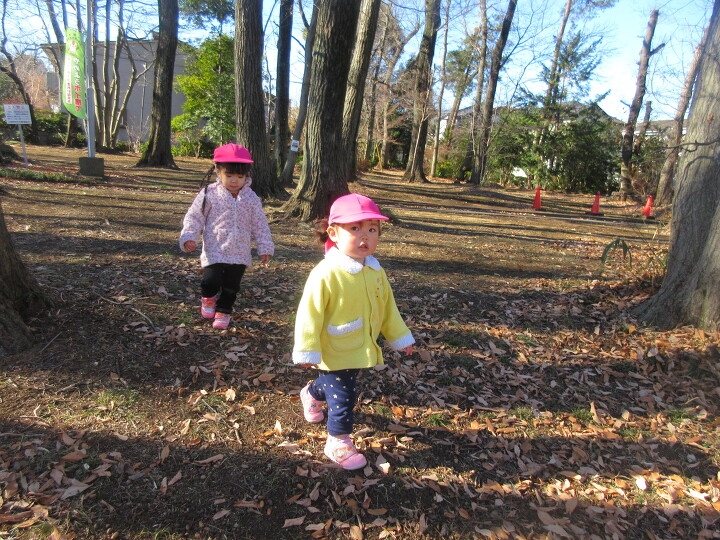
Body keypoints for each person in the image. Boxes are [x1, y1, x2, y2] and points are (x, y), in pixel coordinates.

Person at [293, 193, 414, 470]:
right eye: (355, 228)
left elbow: (388, 308)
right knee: (344, 395)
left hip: (359, 346)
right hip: (333, 349)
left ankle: (311, 392)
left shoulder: (375, 271)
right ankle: (338, 441)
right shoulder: (326, 273)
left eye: (372, 229)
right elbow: (309, 313)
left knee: (336, 385)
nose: (364, 237)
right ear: (333, 233)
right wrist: (307, 349)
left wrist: (400, 337)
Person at [179, 143, 274, 330]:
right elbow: (195, 217)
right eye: (229, 175)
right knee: (210, 280)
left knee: (232, 285)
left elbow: (260, 224)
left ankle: (224, 310)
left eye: (240, 176)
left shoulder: (251, 198)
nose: (234, 181)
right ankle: (208, 298)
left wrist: (265, 247)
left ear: (246, 175)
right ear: (218, 171)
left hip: (240, 252)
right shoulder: (209, 194)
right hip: (215, 248)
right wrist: (189, 236)